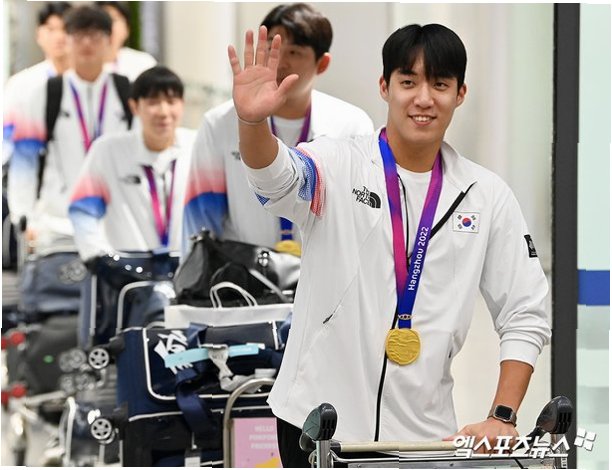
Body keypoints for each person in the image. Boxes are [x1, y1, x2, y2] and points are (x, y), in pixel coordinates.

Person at [227, 23, 552, 467]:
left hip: (423, 438)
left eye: (440, 84)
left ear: (460, 93)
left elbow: (525, 311)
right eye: (408, 82)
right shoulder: (337, 163)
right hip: (318, 424)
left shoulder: (486, 195)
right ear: (384, 87)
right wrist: (252, 122)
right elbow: (277, 180)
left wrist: (503, 415)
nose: (424, 98)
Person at [182, 3, 373, 254]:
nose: (279, 62)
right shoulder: (219, 123)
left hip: (324, 269)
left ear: (322, 63)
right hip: (242, 274)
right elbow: (200, 218)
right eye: (273, 47)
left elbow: (361, 216)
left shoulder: (351, 124)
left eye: (294, 52)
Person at [7, 5, 132, 252]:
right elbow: (24, 160)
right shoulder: (45, 94)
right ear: (68, 40)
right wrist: (24, 217)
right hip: (57, 224)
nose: (87, 43)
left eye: (95, 35)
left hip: (115, 226)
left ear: (109, 41)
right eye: (79, 35)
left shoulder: (126, 92)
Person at [69, 66, 194, 261]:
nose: (164, 112)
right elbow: (83, 210)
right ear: (134, 106)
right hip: (127, 271)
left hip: (187, 266)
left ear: (182, 105)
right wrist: (99, 258)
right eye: (153, 102)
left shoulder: (196, 146)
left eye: (171, 102)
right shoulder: (108, 150)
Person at [3, 1, 72, 166]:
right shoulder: (21, 84)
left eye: (65, 29)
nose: (59, 36)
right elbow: (6, 140)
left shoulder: (88, 83)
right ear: (39, 35)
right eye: (51, 29)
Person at [97, 1, 157, 81]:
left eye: (114, 19)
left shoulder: (144, 63)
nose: (108, 26)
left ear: (127, 29)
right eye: (103, 19)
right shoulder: (82, 66)